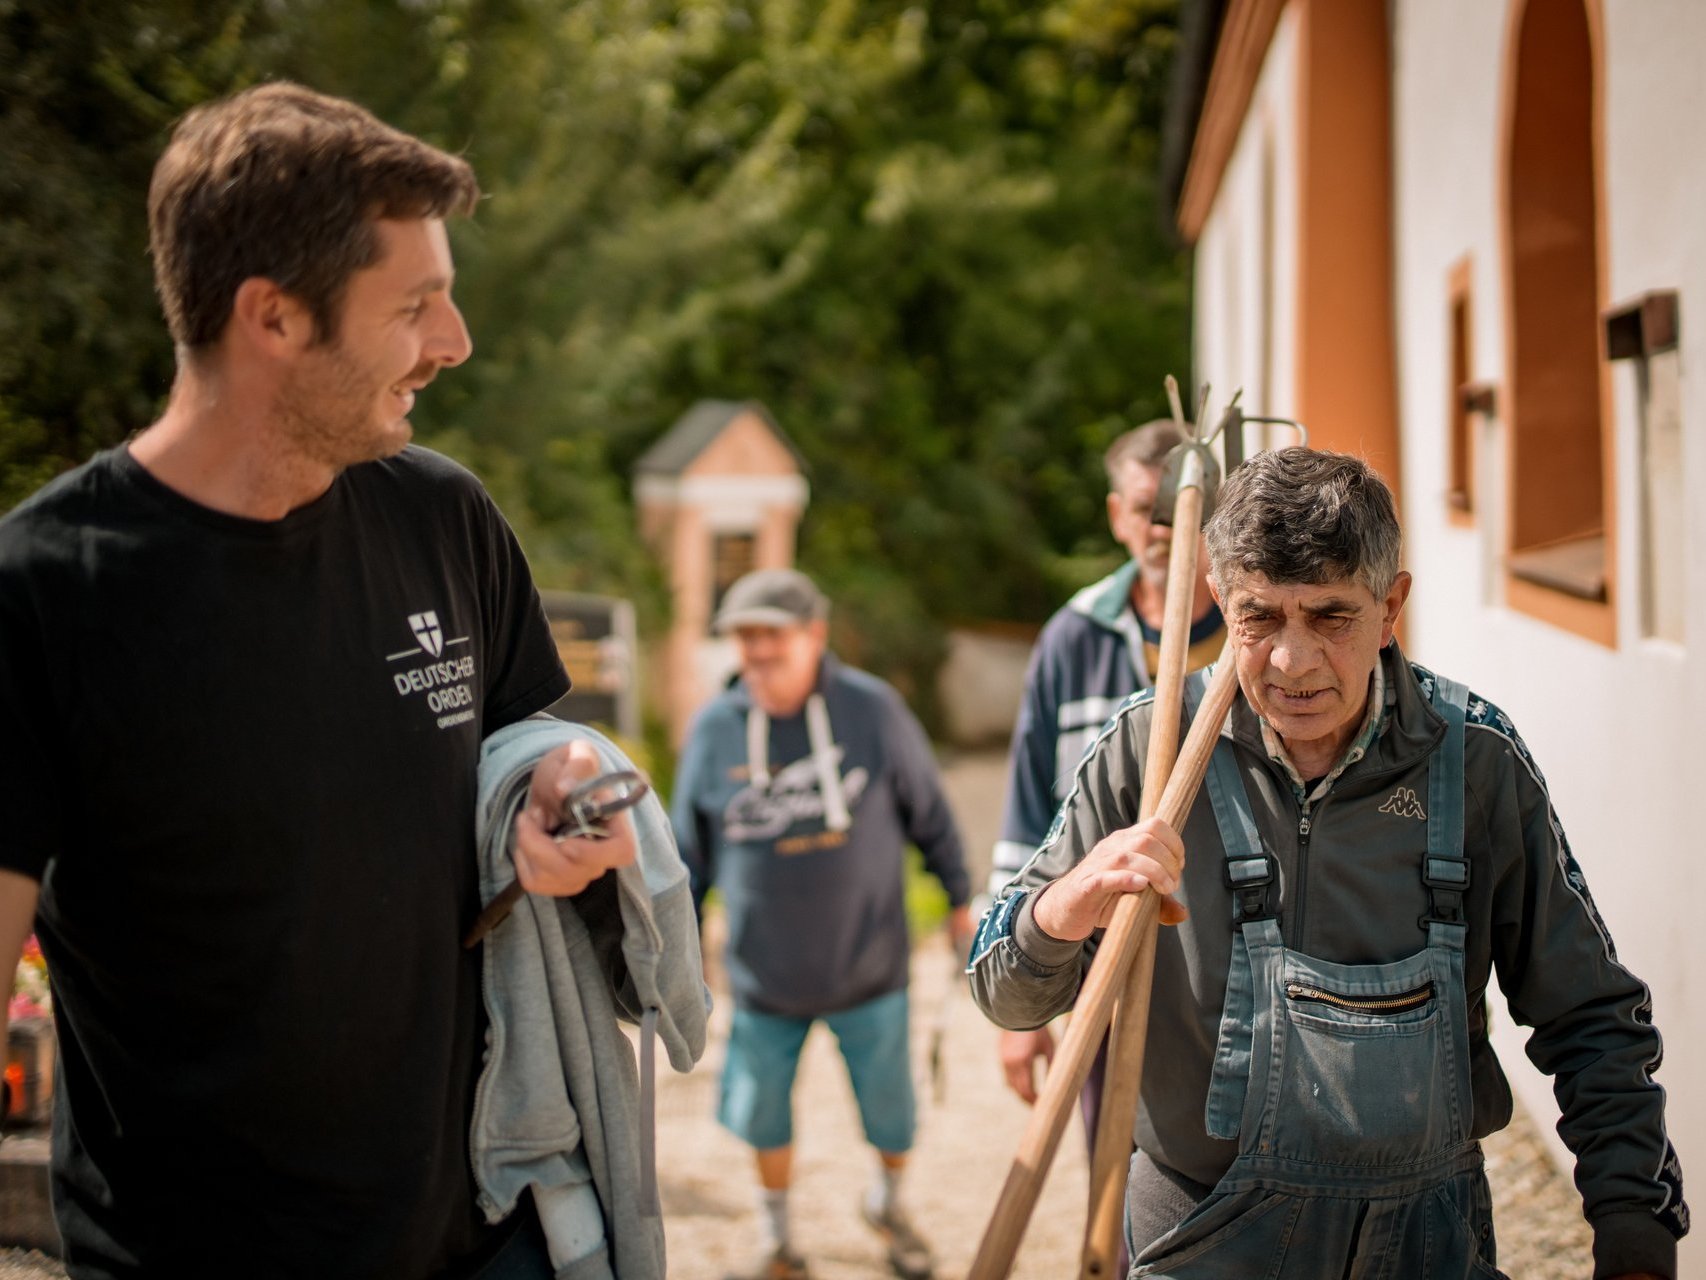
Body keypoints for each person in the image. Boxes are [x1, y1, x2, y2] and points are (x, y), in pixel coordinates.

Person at [0, 83, 658, 1278]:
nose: (453, 342)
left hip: (484, 1235)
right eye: (416, 305)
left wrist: (553, 791)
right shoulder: (43, 591)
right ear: (274, 319)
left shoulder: (443, 517)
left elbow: (520, 746)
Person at [969, 448, 1688, 1278]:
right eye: (1260, 617)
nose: (1292, 661)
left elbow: (1591, 1016)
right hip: (1199, 1235)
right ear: (1217, 600)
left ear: (1392, 608)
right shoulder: (1149, 751)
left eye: (1332, 617)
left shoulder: (1473, 759)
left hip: (1423, 1240)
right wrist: (1066, 905)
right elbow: (1002, 989)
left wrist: (1635, 1221)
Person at [672, 568, 974, 1280]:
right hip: (762, 978)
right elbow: (686, 854)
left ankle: (891, 1204)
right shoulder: (714, 731)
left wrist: (960, 898)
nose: (759, 649)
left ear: (815, 634)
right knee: (763, 1118)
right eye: (746, 636)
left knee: (891, 1115)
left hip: (869, 967)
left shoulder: (873, 711)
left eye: (773, 633)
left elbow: (929, 812)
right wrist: (678, 945)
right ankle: (777, 1239)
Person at [988, 420, 1224, 1112]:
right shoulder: (1074, 637)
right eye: (1146, 509)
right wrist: (1021, 989)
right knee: (1117, 1181)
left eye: (1183, 508)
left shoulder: (1253, 628)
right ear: (1117, 515)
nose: (1164, 528)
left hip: (1230, 966)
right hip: (1102, 968)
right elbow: (1030, 812)